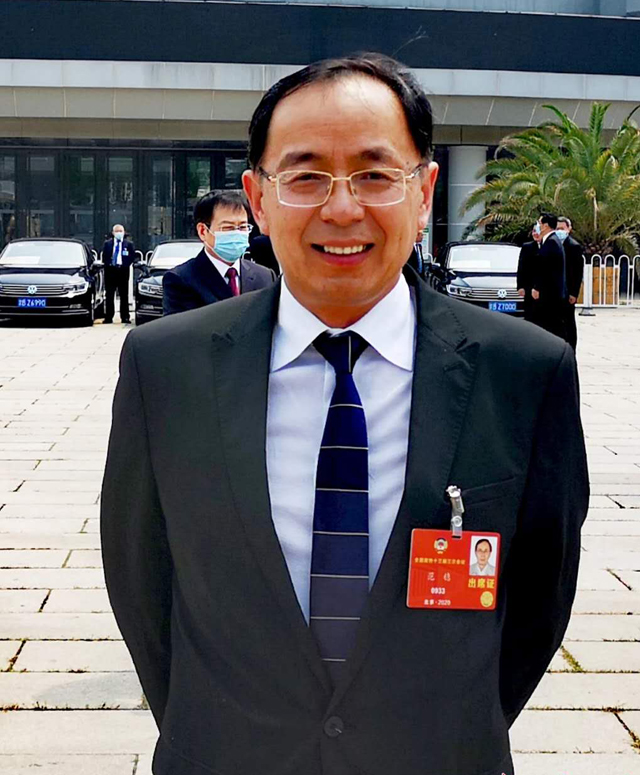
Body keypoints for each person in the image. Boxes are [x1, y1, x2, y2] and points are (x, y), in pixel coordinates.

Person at [101, 53, 588, 775]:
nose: (341, 209)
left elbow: (539, 602)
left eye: (373, 174)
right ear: (258, 200)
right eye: (305, 177)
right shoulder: (166, 367)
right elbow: (141, 584)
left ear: (423, 192)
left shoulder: (522, 372)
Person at [162, 191, 276, 315]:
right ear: (203, 231)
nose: (237, 233)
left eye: (243, 227)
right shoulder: (180, 280)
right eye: (228, 228)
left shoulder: (265, 276)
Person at [531, 212, 567, 339]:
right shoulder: (550, 241)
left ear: (545, 225)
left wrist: (537, 288)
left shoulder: (551, 242)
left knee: (550, 326)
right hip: (551, 293)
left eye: (539, 223)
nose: (538, 226)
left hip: (550, 294)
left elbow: (545, 268)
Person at [556, 216, 584, 351]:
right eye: (557, 228)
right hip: (556, 291)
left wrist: (574, 293)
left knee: (568, 322)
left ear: (569, 229)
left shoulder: (574, 246)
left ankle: (571, 348)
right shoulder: (552, 244)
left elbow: (577, 272)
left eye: (562, 228)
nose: (559, 231)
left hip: (568, 292)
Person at [102, 224, 135, 324]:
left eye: (121, 231)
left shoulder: (128, 244)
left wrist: (125, 264)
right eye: (117, 231)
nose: (119, 233)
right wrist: (109, 264)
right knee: (109, 295)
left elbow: (132, 256)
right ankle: (109, 317)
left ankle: (125, 317)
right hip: (110, 271)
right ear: (113, 233)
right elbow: (105, 257)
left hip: (123, 271)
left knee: (124, 295)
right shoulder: (108, 244)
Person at [517, 224, 542, 322]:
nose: (535, 234)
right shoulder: (527, 247)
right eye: (534, 231)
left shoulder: (549, 245)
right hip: (529, 288)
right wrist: (520, 286)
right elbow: (521, 268)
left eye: (538, 231)